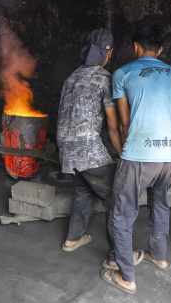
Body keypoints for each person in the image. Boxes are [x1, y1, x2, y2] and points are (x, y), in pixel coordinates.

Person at [101, 24, 171, 294]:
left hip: (140, 154)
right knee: (160, 205)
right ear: (160, 50)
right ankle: (159, 257)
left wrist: (125, 155)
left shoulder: (123, 73)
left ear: (135, 46)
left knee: (122, 213)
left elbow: (124, 123)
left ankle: (127, 277)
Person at [56, 28, 125, 253]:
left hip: (65, 150)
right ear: (109, 53)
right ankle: (119, 254)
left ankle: (72, 239)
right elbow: (114, 127)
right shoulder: (105, 79)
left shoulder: (71, 77)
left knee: (83, 192)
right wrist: (124, 154)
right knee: (115, 196)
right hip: (87, 149)